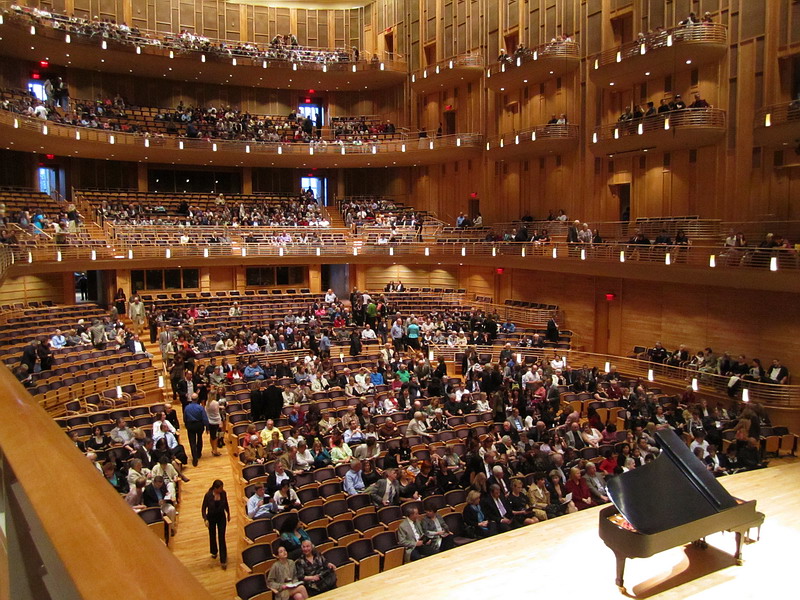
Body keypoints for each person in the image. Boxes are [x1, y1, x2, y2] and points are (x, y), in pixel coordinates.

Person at [201, 479, 230, 569]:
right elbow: (203, 508)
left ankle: (223, 559)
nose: (222, 489)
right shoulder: (208, 495)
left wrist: (228, 514)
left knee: (222, 537)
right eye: (220, 488)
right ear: (215, 488)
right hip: (211, 517)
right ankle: (214, 551)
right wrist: (205, 519)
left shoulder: (223, 493)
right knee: (212, 535)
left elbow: (226, 504)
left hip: (221, 517)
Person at [184, 395, 209, 467]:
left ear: (191, 399)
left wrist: (186, 425)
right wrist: (207, 427)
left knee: (192, 442)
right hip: (199, 424)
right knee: (200, 438)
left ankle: (194, 458)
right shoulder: (200, 407)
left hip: (191, 425)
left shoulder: (187, 407)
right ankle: (198, 453)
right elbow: (204, 418)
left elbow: (185, 418)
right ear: (197, 399)